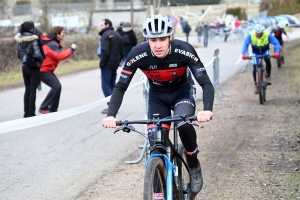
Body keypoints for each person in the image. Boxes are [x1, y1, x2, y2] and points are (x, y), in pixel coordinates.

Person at [102, 14, 214, 195]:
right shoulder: (138, 53)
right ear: (147, 39)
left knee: (183, 124)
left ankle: (193, 163)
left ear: (171, 37)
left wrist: (207, 109)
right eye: (153, 40)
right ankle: (158, 187)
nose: (158, 44)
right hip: (157, 96)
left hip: (182, 93)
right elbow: (121, 86)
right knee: (155, 139)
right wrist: (111, 115)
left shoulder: (184, 49)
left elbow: (205, 82)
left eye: (163, 39)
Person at [39, 26, 77, 114]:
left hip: (47, 69)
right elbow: (60, 56)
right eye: (63, 33)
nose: (64, 35)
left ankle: (53, 109)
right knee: (56, 86)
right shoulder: (51, 44)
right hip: (43, 69)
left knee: (57, 87)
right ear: (57, 34)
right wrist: (71, 49)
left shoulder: (52, 42)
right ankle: (44, 107)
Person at [15, 21, 45, 118]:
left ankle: (26, 112)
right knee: (33, 90)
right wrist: (41, 60)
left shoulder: (19, 39)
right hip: (33, 67)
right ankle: (31, 113)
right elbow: (37, 54)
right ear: (31, 29)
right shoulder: (33, 39)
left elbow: (18, 55)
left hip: (24, 67)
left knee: (27, 89)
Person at [241, 24, 281, 94]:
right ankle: (256, 84)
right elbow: (245, 44)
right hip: (255, 52)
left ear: (262, 32)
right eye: (256, 33)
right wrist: (243, 54)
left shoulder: (267, 35)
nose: (257, 34)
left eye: (259, 33)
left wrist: (277, 52)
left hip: (265, 51)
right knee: (254, 68)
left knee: (267, 60)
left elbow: (276, 43)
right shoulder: (251, 35)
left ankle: (268, 76)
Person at [98, 19, 124, 114]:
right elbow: (122, 50)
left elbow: (105, 50)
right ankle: (114, 106)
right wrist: (119, 61)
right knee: (112, 86)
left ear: (107, 25)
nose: (100, 27)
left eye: (101, 25)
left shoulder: (105, 35)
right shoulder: (117, 34)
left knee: (106, 86)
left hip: (107, 64)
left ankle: (111, 107)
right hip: (115, 64)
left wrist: (102, 63)